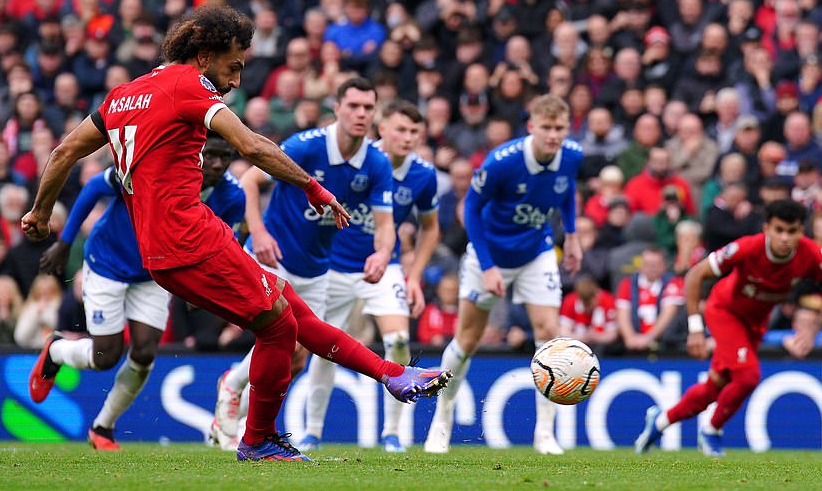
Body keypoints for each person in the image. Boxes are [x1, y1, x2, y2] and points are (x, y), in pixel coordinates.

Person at [21, 6, 449, 463]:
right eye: (234, 66)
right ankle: (258, 439)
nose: (237, 80)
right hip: (187, 239)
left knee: (292, 311)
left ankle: (392, 374)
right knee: (279, 328)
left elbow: (64, 151)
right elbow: (251, 144)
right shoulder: (189, 85)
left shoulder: (125, 95)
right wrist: (314, 188)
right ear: (205, 56)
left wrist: (40, 213)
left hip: (172, 244)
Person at [208, 74, 396, 450]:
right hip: (274, 256)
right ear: (337, 108)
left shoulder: (376, 163)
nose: (361, 114)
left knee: (296, 359)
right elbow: (250, 182)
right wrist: (259, 232)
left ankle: (233, 415)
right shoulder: (306, 146)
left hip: (317, 268)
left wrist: (383, 253)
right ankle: (234, 386)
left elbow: (386, 224)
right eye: (354, 106)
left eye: (368, 108)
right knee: (278, 336)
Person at [34, 134, 246, 450]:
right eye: (211, 155)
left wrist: (201, 284)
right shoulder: (155, 168)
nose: (217, 164)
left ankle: (103, 427)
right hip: (108, 263)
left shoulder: (233, 196)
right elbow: (94, 187)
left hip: (155, 271)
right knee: (105, 356)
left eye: (225, 157)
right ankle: (56, 350)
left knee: (145, 352)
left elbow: (224, 244)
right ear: (196, 151)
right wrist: (64, 242)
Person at [425, 94, 583, 455]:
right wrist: (488, 265)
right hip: (490, 253)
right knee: (467, 340)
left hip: (536, 251)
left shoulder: (572, 155)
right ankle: (441, 421)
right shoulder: (502, 161)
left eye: (560, 128)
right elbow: (471, 208)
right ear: (531, 127)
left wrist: (572, 235)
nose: (553, 135)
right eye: (546, 127)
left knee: (549, 333)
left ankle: (545, 434)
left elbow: (567, 189)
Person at [635, 200, 822, 457]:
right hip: (725, 311)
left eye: (792, 231)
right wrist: (696, 329)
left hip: (755, 323)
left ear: (802, 231)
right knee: (748, 376)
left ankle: (659, 421)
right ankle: (711, 431)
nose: (785, 238)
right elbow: (694, 276)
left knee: (715, 387)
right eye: (779, 230)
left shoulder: (813, 255)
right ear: (767, 228)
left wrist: (812, 331)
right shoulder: (746, 248)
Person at [299, 99, 440, 454]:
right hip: (334, 265)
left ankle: (392, 433)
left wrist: (413, 277)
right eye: (401, 130)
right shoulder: (359, 159)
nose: (408, 138)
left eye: (414, 132)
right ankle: (312, 432)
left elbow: (431, 228)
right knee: (325, 348)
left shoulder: (423, 174)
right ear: (383, 129)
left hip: (383, 265)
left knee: (398, 340)